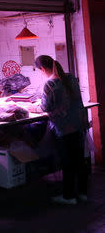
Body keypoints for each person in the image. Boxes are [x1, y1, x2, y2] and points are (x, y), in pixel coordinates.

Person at [34, 55, 88, 205]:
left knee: (67, 162)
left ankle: (69, 196)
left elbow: (45, 107)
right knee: (79, 160)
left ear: (43, 69)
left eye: (40, 71)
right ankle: (83, 193)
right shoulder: (71, 78)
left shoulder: (50, 84)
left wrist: (34, 107)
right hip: (78, 124)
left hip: (63, 128)